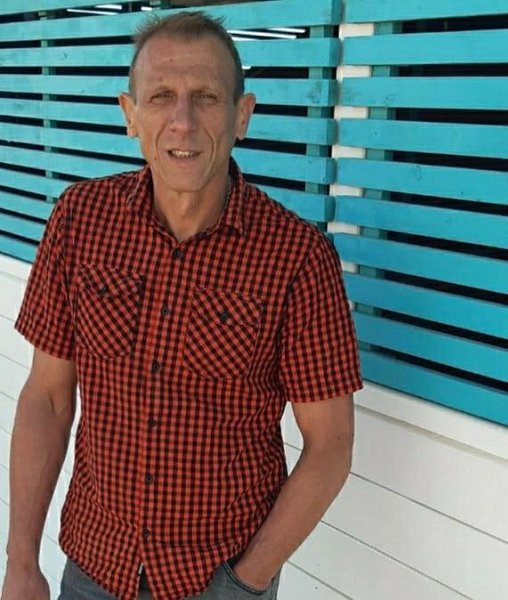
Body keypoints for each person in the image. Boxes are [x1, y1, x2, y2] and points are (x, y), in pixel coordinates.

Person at [1, 10, 362, 600]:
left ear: (242, 115)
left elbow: (331, 444)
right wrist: (20, 560)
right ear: (130, 115)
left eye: (206, 97)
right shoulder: (80, 221)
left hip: (217, 578)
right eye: (161, 96)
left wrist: (244, 583)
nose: (183, 121)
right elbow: (47, 396)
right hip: (94, 567)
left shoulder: (297, 257)